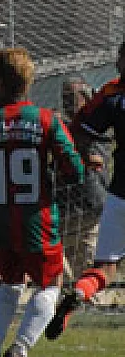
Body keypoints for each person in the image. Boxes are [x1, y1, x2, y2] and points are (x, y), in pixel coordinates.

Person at [0, 48, 84, 357]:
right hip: (34, 219)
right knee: (50, 283)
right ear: (29, 82)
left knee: (11, 280)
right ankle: (20, 348)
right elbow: (75, 171)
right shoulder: (46, 119)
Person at [46, 42, 125, 340]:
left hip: (120, 193)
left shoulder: (112, 94)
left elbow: (79, 129)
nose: (116, 63)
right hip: (104, 196)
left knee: (105, 267)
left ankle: (79, 291)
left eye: (120, 57)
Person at [54, 77, 107, 285]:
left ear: (86, 99)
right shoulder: (61, 125)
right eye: (64, 97)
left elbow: (93, 158)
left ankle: (86, 303)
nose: (67, 103)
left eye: (72, 97)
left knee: (85, 264)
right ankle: (70, 300)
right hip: (63, 208)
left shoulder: (93, 123)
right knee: (61, 269)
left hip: (88, 206)